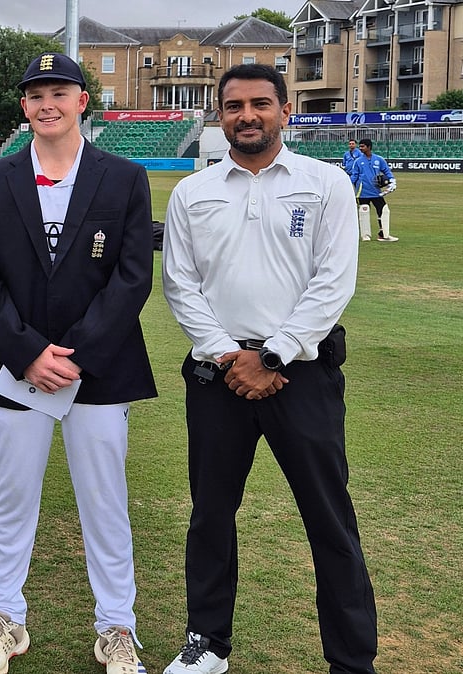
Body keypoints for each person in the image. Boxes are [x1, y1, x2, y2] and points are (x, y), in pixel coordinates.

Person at [161, 63, 377, 674]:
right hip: (218, 375)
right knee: (209, 517)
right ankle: (208, 643)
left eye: (260, 103)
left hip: (300, 375)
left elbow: (333, 281)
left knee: (330, 520)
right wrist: (233, 356)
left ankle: (352, 659)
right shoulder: (192, 193)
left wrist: (275, 354)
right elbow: (181, 285)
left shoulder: (325, 182)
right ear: (219, 114)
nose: (247, 115)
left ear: (285, 110)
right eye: (234, 106)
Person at [0, 52, 157, 674]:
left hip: (98, 369)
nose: (48, 103)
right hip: (15, 368)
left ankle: (116, 629)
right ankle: (3, 621)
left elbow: (132, 277)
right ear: (24, 106)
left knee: (105, 502)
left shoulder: (124, 177)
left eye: (59, 92)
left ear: (81, 101)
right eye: (36, 94)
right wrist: (26, 353)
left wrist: (75, 355)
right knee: (13, 499)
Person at [350, 138, 398, 242]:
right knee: (364, 212)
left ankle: (384, 235)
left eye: (363, 146)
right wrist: (348, 185)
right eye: (360, 146)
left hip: (376, 191)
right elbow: (354, 176)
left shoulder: (378, 159)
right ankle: (365, 235)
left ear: (369, 147)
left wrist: (392, 180)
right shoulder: (358, 161)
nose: (361, 148)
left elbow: (386, 171)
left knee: (384, 211)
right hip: (362, 192)